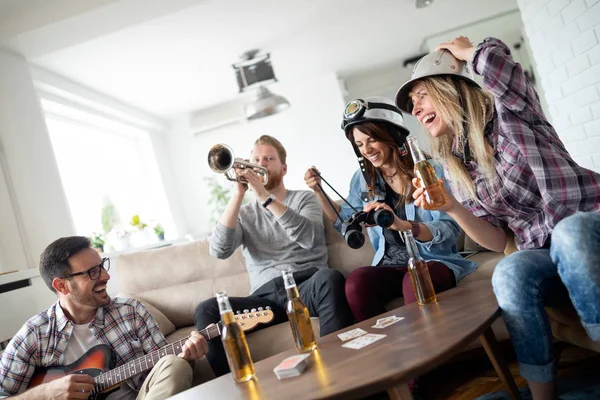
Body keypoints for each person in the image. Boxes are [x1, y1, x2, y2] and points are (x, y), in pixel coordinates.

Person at [396, 36, 600, 400]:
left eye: (422, 95)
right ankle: (543, 396)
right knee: (509, 269)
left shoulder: (511, 113)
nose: (416, 109)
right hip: (545, 249)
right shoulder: (456, 164)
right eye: (412, 104)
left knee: (569, 232)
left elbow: (499, 63)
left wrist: (463, 51)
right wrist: (452, 209)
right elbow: (495, 240)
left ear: (451, 88)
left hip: (588, 223)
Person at [304, 97, 477, 322]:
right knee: (356, 283)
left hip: (433, 261)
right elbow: (344, 222)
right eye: (359, 144)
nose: (366, 149)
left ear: (392, 135)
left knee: (414, 280)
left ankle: (432, 350)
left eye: (372, 140)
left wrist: (402, 225)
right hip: (389, 265)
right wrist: (318, 190)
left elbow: (449, 230)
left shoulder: (429, 170)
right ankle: (389, 350)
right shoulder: (363, 179)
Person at [194, 135, 354, 378]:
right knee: (206, 309)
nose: (261, 164)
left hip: (305, 286)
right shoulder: (245, 212)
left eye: (269, 159)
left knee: (330, 278)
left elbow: (309, 238)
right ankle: (236, 387)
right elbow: (219, 250)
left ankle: (340, 373)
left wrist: (263, 196)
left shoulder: (304, 198)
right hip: (264, 297)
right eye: (256, 159)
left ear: (284, 168)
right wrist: (238, 194)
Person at [0, 236, 208, 400]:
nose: (105, 276)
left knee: (175, 365)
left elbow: (164, 369)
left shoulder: (131, 311)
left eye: (102, 265)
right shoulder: (34, 334)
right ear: (61, 286)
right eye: (92, 272)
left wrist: (187, 359)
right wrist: (44, 394)